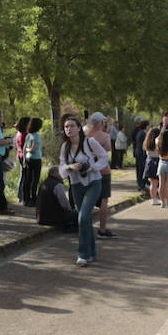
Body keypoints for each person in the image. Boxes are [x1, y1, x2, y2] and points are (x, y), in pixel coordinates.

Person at [58, 114, 108, 266]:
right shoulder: (65, 147)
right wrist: (70, 166)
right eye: (66, 127)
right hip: (76, 185)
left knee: (83, 217)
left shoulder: (89, 142)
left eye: (72, 126)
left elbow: (104, 157)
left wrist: (93, 167)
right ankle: (91, 253)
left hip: (93, 182)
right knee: (85, 220)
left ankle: (82, 254)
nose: (69, 129)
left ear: (79, 128)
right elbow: (61, 169)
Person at [87, 112, 115, 237]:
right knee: (104, 200)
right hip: (103, 170)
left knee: (87, 200)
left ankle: (85, 227)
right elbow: (108, 149)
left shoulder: (85, 134)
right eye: (103, 122)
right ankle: (102, 228)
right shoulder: (104, 136)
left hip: (88, 170)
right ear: (100, 123)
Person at [36, 166, 78, 231]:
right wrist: (71, 211)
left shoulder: (43, 182)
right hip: (53, 218)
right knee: (77, 214)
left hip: (41, 218)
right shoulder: (58, 185)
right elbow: (64, 204)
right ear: (54, 173)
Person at [22, 117, 44, 207]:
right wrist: (29, 150)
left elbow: (24, 148)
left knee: (27, 179)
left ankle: (26, 199)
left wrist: (24, 159)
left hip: (28, 159)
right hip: (36, 159)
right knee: (35, 180)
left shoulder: (28, 135)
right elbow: (33, 149)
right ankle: (33, 199)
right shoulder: (37, 136)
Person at [13, 117, 31, 209]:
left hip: (20, 156)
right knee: (25, 177)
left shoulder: (18, 134)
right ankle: (23, 196)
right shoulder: (25, 134)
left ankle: (20, 196)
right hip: (24, 157)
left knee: (22, 176)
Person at [132, 118, 150, 192]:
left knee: (141, 169)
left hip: (139, 152)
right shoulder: (143, 134)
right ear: (146, 126)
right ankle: (141, 185)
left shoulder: (141, 132)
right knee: (142, 169)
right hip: (141, 154)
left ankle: (142, 183)